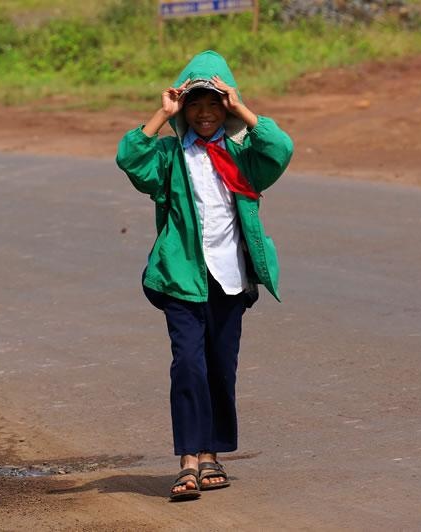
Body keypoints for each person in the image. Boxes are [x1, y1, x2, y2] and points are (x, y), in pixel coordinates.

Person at [116, 50, 293, 501]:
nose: (204, 113)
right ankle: (188, 460)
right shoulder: (170, 156)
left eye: (213, 104)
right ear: (184, 110)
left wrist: (243, 109)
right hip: (181, 278)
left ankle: (213, 453)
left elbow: (281, 148)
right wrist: (162, 112)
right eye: (195, 105)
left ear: (225, 107)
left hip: (230, 279)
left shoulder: (242, 156)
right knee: (188, 366)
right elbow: (129, 158)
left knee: (220, 367)